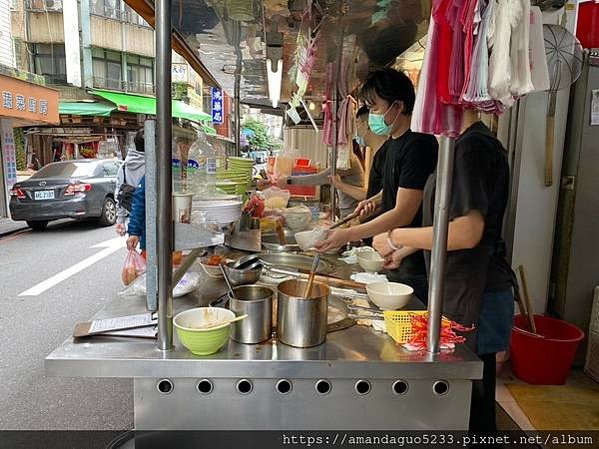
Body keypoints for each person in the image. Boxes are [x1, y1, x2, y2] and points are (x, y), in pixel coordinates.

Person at [372, 111, 515, 433]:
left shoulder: (473, 146)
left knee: (471, 404)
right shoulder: (459, 144)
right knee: (466, 400)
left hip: (478, 292)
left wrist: (398, 236)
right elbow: (447, 225)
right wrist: (405, 250)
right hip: (460, 285)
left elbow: (468, 232)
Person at [316, 68, 438, 302]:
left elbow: (404, 213)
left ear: (398, 106)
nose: (371, 117)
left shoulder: (419, 144)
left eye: (375, 108)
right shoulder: (394, 143)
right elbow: (395, 188)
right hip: (394, 254)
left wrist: (347, 233)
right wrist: (372, 200)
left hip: (414, 263)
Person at [280, 151, 364, 219]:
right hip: (347, 209)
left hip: (352, 211)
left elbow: (319, 178)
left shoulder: (347, 161)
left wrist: (288, 180)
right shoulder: (347, 160)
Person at [330, 106, 388, 203]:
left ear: (366, 125)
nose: (355, 130)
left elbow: (382, 196)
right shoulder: (376, 155)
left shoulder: (386, 155)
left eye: (357, 123)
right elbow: (372, 194)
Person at [115, 130, 145, 236]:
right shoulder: (153, 165)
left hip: (134, 215)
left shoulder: (124, 166)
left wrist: (120, 220)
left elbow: (120, 193)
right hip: (151, 215)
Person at [126, 175, 146, 257]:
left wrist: (134, 232)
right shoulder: (152, 173)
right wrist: (134, 232)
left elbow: (138, 204)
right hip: (153, 239)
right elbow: (138, 204)